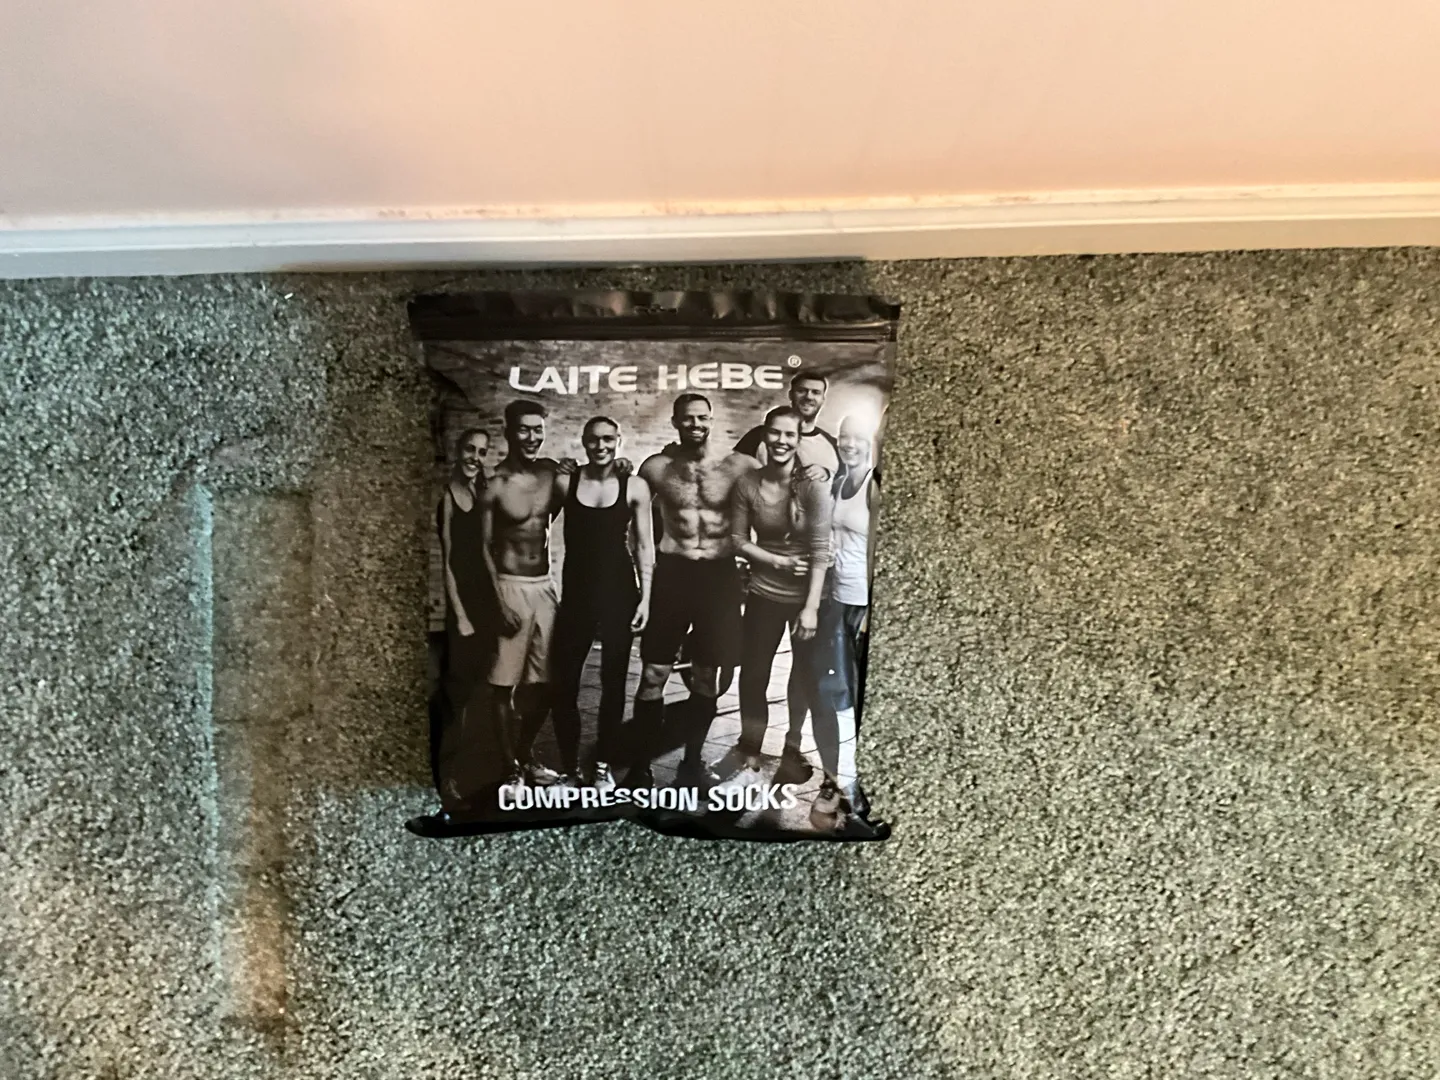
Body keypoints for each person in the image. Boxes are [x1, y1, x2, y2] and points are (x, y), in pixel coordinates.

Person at [628, 393, 756, 790]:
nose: (695, 424)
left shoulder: (740, 466)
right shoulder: (656, 468)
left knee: (707, 675)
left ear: (711, 420)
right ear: (675, 422)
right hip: (673, 574)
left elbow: (781, 492)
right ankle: (640, 766)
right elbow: (626, 511)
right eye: (687, 418)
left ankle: (691, 762)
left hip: (719, 578)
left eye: (702, 418)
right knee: (654, 673)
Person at [717, 406, 833, 784]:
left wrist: (811, 608)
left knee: (804, 676)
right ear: (764, 436)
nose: (781, 441)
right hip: (764, 592)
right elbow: (737, 540)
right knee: (753, 676)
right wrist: (776, 561)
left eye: (789, 435)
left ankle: (793, 747)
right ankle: (750, 753)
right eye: (775, 433)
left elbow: (821, 550)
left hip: (807, 598)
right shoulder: (747, 484)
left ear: (799, 440)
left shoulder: (813, 487)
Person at [549, 417, 654, 790]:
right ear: (583, 441)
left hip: (619, 594)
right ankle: (569, 769)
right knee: (563, 685)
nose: (601, 446)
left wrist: (646, 598)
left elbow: (644, 546)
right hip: (576, 596)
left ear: (618, 440)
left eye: (608, 439)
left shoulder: (634, 486)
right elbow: (536, 525)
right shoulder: (566, 482)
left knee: (613, 684)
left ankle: (603, 766)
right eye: (593, 439)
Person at [480, 400, 564, 786]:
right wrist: (496, 603)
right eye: (524, 429)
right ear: (509, 432)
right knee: (503, 685)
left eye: (537, 429)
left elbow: (584, 496)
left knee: (546, 684)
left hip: (544, 586)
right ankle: (509, 767)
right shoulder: (495, 483)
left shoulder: (551, 473)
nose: (532, 437)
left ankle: (526, 754)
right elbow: (482, 547)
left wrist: (621, 467)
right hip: (508, 586)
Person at [806, 413, 879, 828]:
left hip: (860, 604)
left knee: (853, 699)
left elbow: (878, 551)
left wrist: (871, 610)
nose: (849, 444)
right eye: (844, 437)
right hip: (835, 599)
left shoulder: (873, 485)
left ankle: (852, 788)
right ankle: (835, 780)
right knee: (829, 692)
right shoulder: (836, 483)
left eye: (858, 438)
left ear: (871, 443)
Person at [434, 426, 494, 801]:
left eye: (482, 452)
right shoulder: (447, 497)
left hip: (486, 601)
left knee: (481, 690)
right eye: (470, 449)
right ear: (458, 451)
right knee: (456, 696)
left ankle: (475, 770)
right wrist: (460, 616)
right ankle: (447, 777)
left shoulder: (480, 492)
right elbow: (447, 563)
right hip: (465, 607)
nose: (475, 457)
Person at [734, 371, 839, 478]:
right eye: (801, 391)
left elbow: (843, 482)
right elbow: (731, 472)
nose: (808, 397)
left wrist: (826, 474)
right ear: (790, 395)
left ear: (823, 399)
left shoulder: (833, 444)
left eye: (816, 392)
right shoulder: (757, 435)